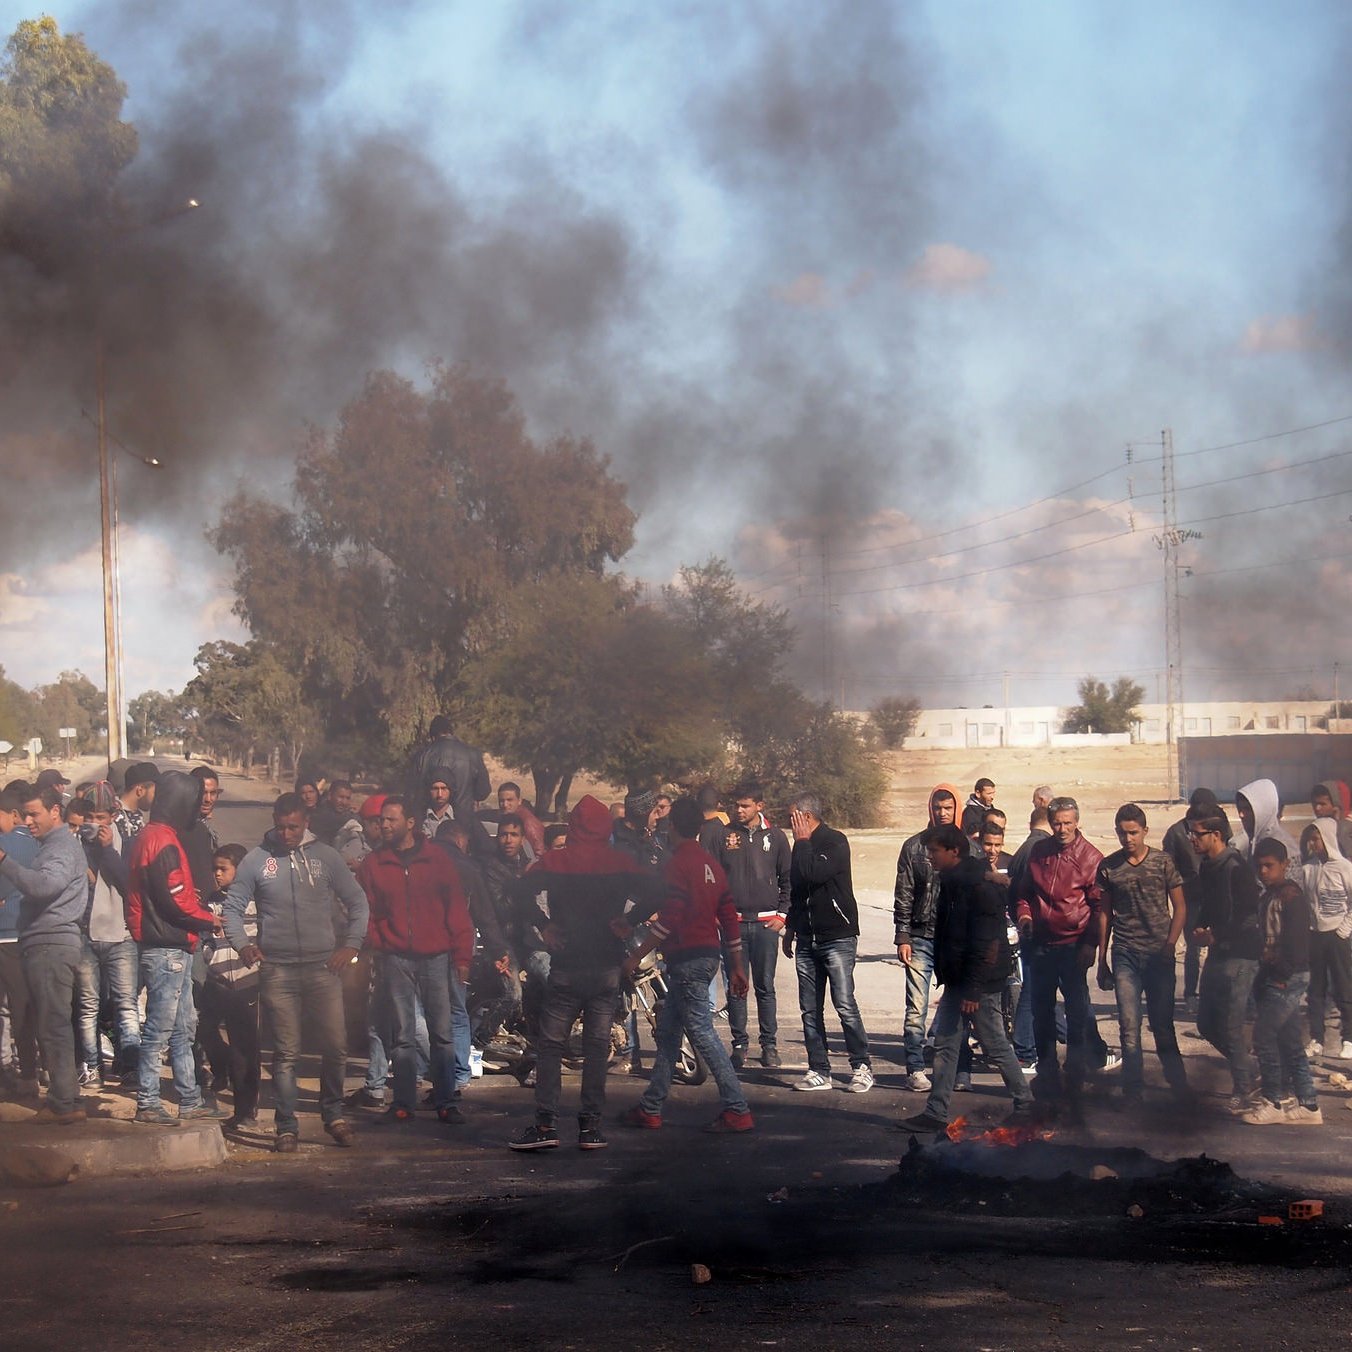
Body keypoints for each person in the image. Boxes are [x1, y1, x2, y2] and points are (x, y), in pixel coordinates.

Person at [506, 795, 663, 1150]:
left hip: (567, 965)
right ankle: (590, 1127)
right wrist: (630, 919)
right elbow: (661, 892)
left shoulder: (555, 861)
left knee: (550, 1046)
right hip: (606, 965)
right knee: (596, 1048)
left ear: (574, 825)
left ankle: (546, 1125)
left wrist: (544, 925)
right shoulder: (620, 862)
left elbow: (516, 890)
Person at [222, 792, 370, 1152]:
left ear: (306, 823)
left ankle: (333, 1115)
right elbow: (232, 909)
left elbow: (358, 901)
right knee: (286, 1053)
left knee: (335, 1047)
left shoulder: (326, 857)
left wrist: (351, 944)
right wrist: (243, 945)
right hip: (278, 971)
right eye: (281, 826)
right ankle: (286, 1126)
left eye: (294, 826)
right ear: (274, 821)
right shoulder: (257, 861)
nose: (287, 833)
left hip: (323, 968)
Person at [622, 797, 753, 1133]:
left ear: (673, 827)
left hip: (686, 958)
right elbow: (729, 918)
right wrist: (736, 964)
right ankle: (651, 1107)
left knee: (702, 1032)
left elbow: (670, 917)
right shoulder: (710, 864)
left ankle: (737, 1108)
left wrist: (637, 955)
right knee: (668, 1034)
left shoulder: (677, 865)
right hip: (708, 955)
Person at [900, 823, 1031, 1132]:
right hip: (960, 980)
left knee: (994, 1042)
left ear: (953, 851)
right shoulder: (956, 880)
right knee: (945, 1042)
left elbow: (986, 943)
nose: (929, 857)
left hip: (977, 983)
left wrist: (972, 990)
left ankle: (1026, 1104)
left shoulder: (977, 887)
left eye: (934, 851)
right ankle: (935, 1112)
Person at [358, 796, 474, 1125]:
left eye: (391, 819)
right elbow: (364, 910)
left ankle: (446, 1100)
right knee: (402, 1035)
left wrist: (462, 954)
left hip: (437, 958)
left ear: (410, 822)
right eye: (382, 820)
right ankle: (404, 1101)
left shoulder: (437, 859)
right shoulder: (373, 864)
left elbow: (456, 909)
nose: (384, 825)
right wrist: (378, 943)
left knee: (441, 1033)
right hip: (395, 958)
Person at [125, 770, 223, 1126]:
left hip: (168, 942)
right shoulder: (163, 841)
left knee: (184, 1028)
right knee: (160, 1029)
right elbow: (175, 900)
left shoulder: (150, 836)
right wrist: (206, 919)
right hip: (167, 945)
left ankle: (189, 1098)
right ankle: (148, 1102)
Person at [0, 784, 87, 1123]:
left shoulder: (60, 847)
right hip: (45, 941)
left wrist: (5, 862)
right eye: (25, 815)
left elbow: (44, 886)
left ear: (55, 811)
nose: (28, 821)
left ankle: (63, 1103)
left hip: (51, 943)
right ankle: (69, 1100)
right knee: (54, 1025)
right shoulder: (50, 846)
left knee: (52, 1026)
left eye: (35, 814)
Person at [1094, 804, 1188, 1104]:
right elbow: (1105, 915)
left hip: (1159, 955)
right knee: (1128, 1027)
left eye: (1133, 832)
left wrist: (1171, 944)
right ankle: (1133, 1090)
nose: (1128, 838)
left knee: (1162, 1027)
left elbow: (1180, 907)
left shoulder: (1163, 863)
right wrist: (1102, 960)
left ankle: (1180, 1088)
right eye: (1122, 832)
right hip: (1126, 955)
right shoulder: (1109, 867)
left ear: (1145, 831)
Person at [1013, 796, 1102, 1108]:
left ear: (1077, 822)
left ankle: (1076, 1074)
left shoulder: (1091, 858)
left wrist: (1091, 944)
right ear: (1050, 824)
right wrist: (1024, 916)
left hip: (1074, 946)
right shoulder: (1039, 852)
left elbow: (1100, 908)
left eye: (1068, 822)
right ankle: (1048, 1072)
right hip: (1040, 945)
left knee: (1077, 1013)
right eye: (1057, 823)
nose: (1062, 829)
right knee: (1041, 1012)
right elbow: (1024, 893)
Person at [784, 791, 873, 1094]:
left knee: (844, 1004)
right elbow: (797, 888)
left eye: (792, 816)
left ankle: (861, 1066)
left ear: (806, 817)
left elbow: (813, 873)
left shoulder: (834, 841)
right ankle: (819, 1069)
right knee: (809, 1009)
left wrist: (804, 842)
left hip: (837, 936)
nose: (789, 822)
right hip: (807, 938)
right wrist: (791, 928)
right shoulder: (800, 846)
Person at [703, 781, 791, 1071]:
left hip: (767, 924)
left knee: (765, 987)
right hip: (734, 924)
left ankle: (769, 1045)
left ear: (759, 806)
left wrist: (782, 915)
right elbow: (712, 876)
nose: (738, 810)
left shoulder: (776, 837)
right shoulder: (723, 835)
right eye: (736, 805)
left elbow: (788, 879)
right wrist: (717, 914)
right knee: (737, 987)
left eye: (745, 805)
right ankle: (739, 1044)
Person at [1187, 800, 1262, 1112]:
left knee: (1232, 1026)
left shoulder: (1236, 867)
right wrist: (1201, 928)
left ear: (1215, 834)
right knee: (1206, 1023)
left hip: (1242, 957)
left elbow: (1248, 915)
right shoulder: (1208, 866)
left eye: (1197, 833)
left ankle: (1245, 1092)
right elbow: (1209, 905)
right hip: (1218, 954)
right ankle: (1252, 1068)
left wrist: (1218, 935)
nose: (1192, 839)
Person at [893, 782, 965, 1093]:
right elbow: (904, 893)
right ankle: (914, 1068)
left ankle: (958, 1070)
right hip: (921, 936)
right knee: (916, 1007)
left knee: (962, 1005)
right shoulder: (914, 847)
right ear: (930, 810)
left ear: (957, 809)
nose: (943, 813)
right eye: (938, 808)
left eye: (948, 808)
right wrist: (903, 934)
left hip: (955, 937)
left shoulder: (968, 849)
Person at [1242, 840, 1321, 1125]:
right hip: (1274, 976)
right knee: (1289, 1042)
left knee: (1264, 1037)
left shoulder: (1291, 897)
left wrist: (1282, 974)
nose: (1263, 871)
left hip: (1288, 978)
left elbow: (1298, 944)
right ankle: (1309, 1105)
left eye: (1269, 866)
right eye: (1259, 866)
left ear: (1285, 864)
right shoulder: (1268, 896)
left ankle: (1273, 1100)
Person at [76, 781, 140, 1088]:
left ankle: (130, 1068)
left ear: (113, 815)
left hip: (121, 934)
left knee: (125, 1005)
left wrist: (105, 852)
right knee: (88, 1005)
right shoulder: (75, 843)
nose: (95, 823)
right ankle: (92, 1068)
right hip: (85, 934)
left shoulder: (125, 841)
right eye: (90, 816)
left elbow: (129, 884)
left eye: (101, 817)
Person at [199, 844, 262, 1130]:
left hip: (246, 983)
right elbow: (204, 939)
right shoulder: (211, 901)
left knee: (245, 1049)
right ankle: (220, 1066)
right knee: (203, 1029)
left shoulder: (256, 902)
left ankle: (245, 1110)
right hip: (216, 982)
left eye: (223, 869)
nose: (217, 874)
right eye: (215, 869)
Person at [1161, 788, 1231, 1007]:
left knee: (1219, 945)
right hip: (1191, 897)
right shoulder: (1176, 833)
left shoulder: (1217, 825)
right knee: (1193, 946)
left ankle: (1215, 995)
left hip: (1216, 895)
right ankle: (1191, 993)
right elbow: (1168, 867)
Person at [1299, 817, 1352, 1060]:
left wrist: (1344, 930)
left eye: (1316, 838)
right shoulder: (1308, 868)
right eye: (1310, 839)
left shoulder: (1345, 868)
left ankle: (1349, 1038)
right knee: (1316, 989)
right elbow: (1307, 903)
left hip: (1338, 936)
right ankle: (1317, 1038)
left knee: (1343, 987)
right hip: (1315, 936)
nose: (1313, 843)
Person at [0, 786, 40, 1098]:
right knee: (28, 1007)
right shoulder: (43, 844)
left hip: (7, 935)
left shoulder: (5, 843)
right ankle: (35, 1071)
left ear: (14, 814)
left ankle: (17, 1071)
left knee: (14, 1009)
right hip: (32, 934)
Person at [405, 716, 492, 854]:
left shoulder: (422, 755)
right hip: (465, 823)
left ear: (432, 736)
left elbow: (411, 792)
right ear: (451, 731)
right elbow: (483, 791)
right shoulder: (472, 753)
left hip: (428, 824)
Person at [115, 762, 159, 842]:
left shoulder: (136, 814)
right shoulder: (114, 817)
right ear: (140, 790)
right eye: (154, 792)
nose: (157, 797)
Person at [308, 780, 356, 848]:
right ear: (330, 796)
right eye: (341, 797)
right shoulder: (321, 814)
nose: (344, 802)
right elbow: (338, 821)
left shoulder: (342, 814)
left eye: (348, 798)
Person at [1311, 782, 1352, 860]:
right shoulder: (1317, 827)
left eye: (1322, 804)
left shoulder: (1347, 828)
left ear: (1335, 806)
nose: (1317, 808)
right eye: (1315, 804)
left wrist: (1338, 823)